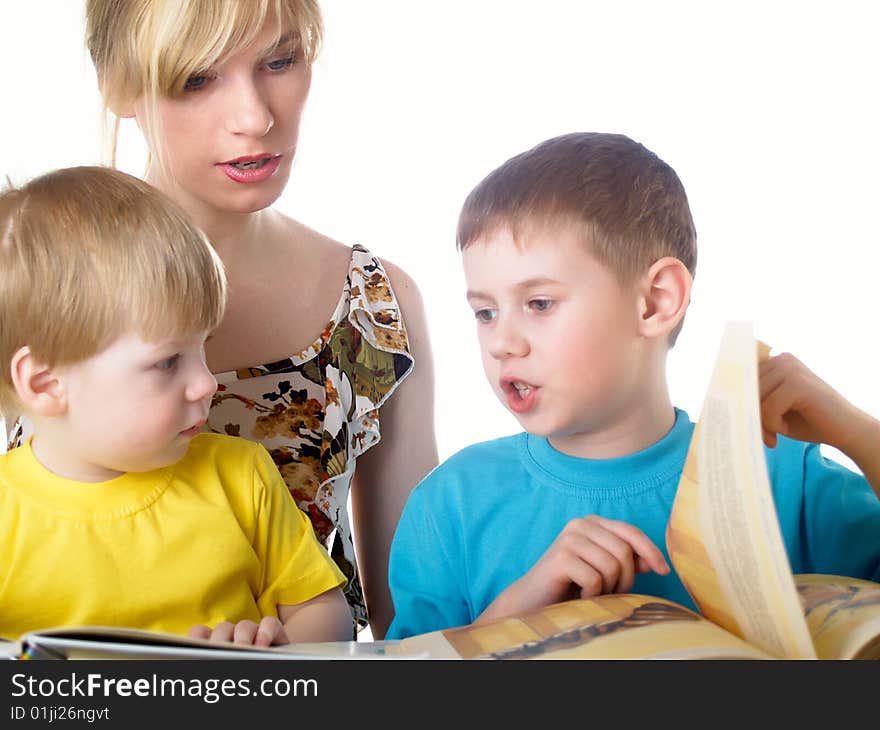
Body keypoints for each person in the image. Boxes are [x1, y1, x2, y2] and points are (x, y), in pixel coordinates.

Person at [385, 132, 880, 639]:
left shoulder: (786, 479)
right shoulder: (450, 505)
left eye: (539, 303)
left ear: (655, 302)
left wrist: (861, 434)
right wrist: (517, 610)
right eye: (485, 312)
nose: (502, 343)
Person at [77, 0, 439, 639]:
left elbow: (415, 624)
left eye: (281, 61)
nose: (256, 117)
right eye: (197, 77)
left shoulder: (375, 307)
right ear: (118, 85)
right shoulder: (32, 282)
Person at [0, 166, 352, 645]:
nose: (207, 383)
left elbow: (325, 611)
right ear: (45, 383)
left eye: (203, 345)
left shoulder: (240, 476)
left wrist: (279, 647)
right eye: (168, 362)